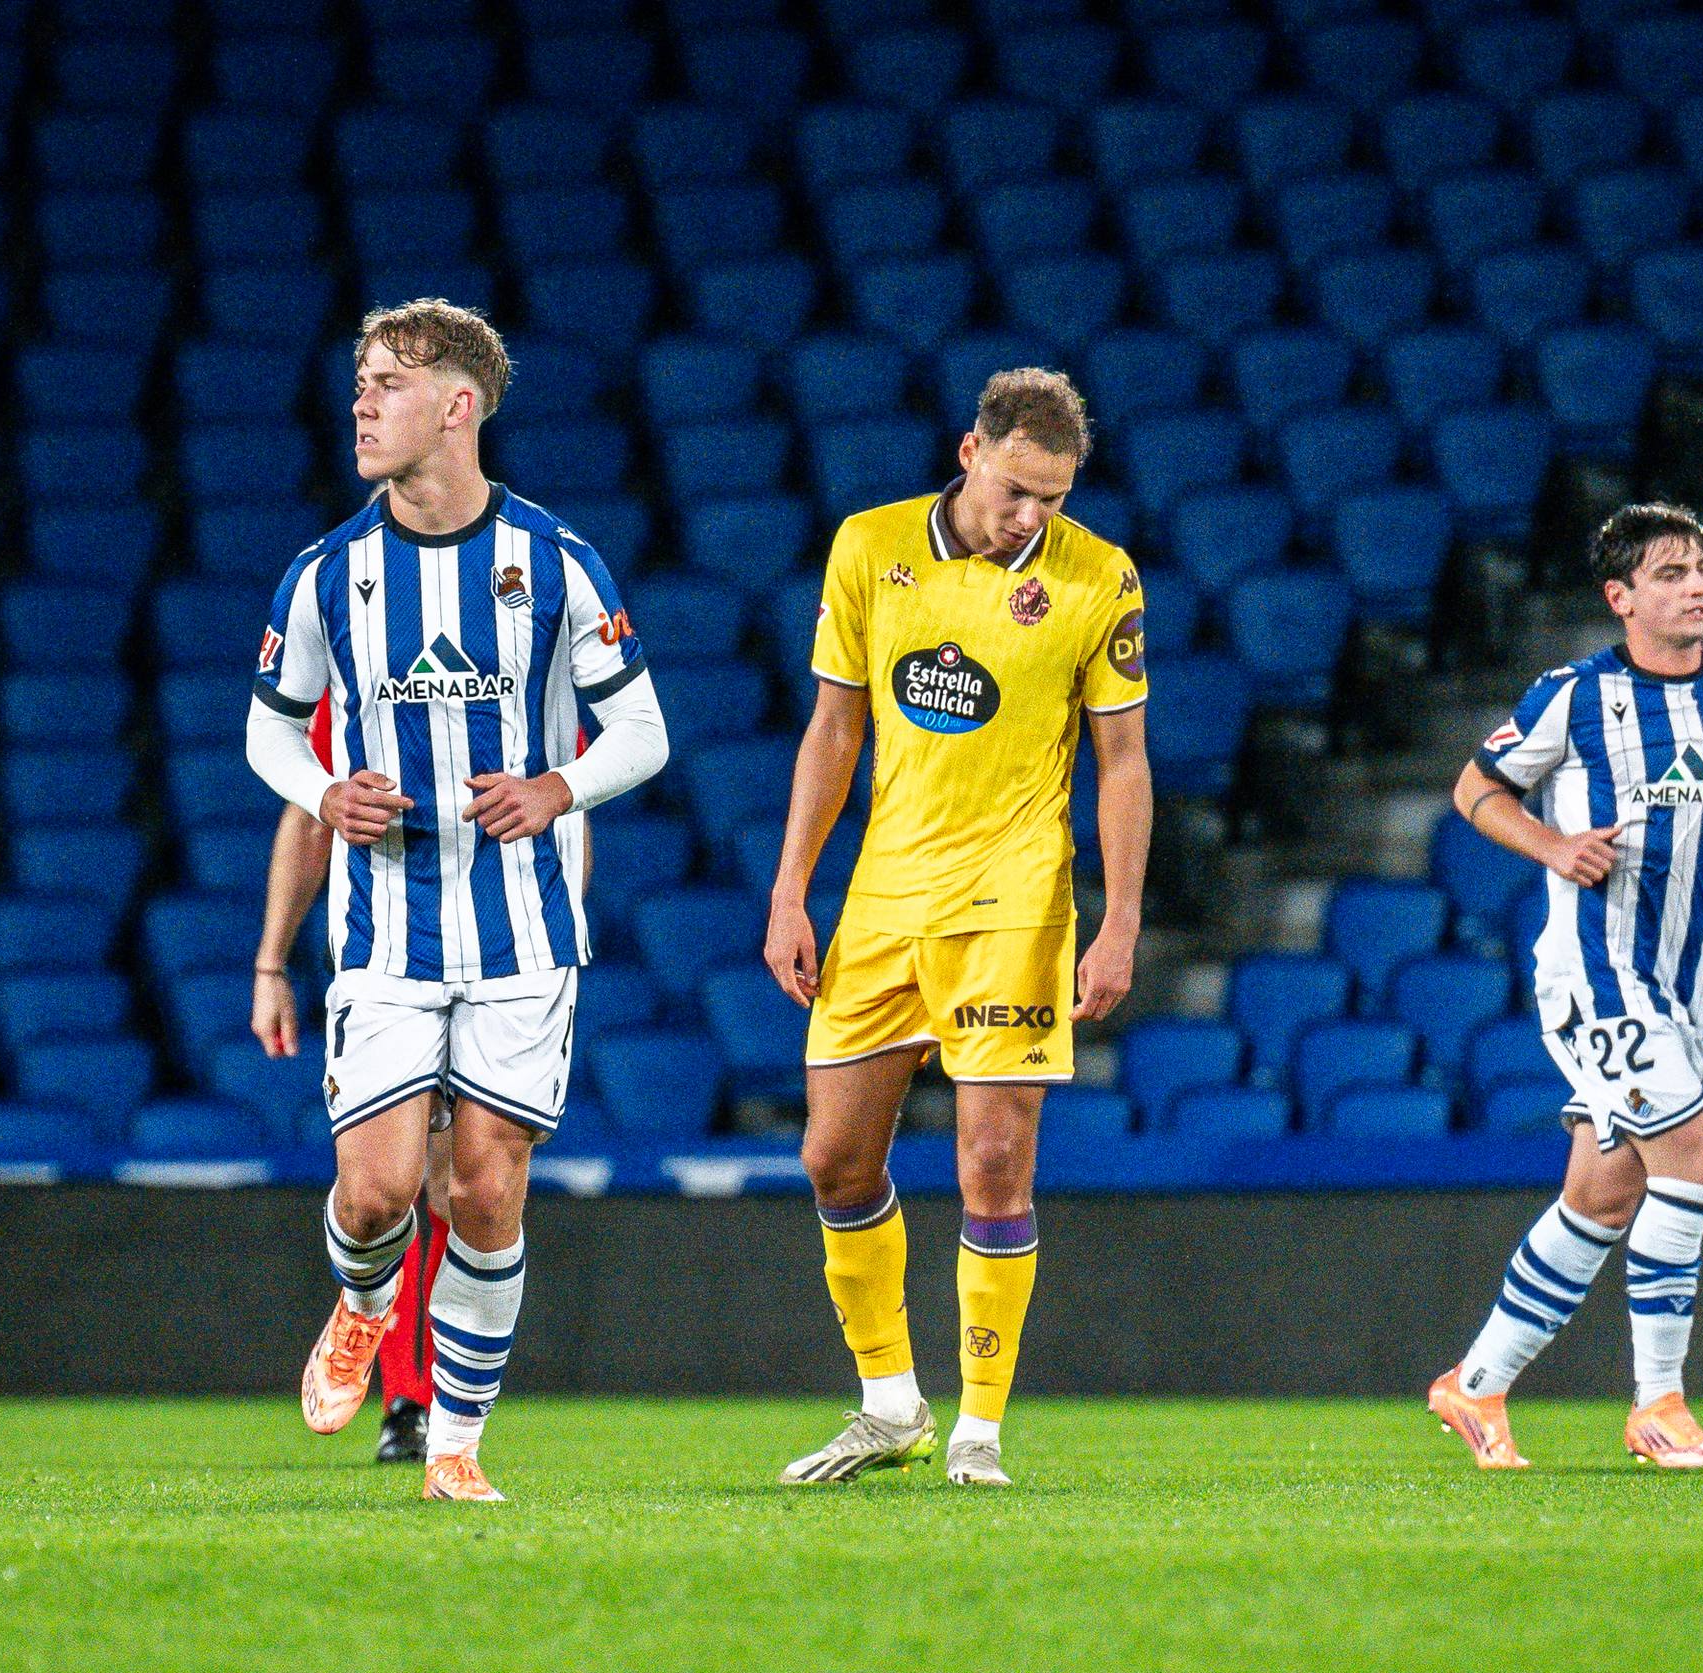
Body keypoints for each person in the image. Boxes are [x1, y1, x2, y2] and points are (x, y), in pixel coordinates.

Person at [243, 299, 668, 1503]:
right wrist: (327, 793)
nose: (363, 401)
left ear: (459, 406)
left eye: (388, 382)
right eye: (361, 381)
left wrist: (556, 785)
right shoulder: (329, 575)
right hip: (383, 928)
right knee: (377, 1191)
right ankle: (364, 1304)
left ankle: (454, 1446)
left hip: (525, 927)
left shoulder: (557, 563)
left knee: (483, 1188)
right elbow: (268, 735)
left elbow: (641, 730)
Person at [764, 368, 1152, 1490]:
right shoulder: (868, 548)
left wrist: (1120, 919)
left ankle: (979, 1426)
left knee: (992, 1160)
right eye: (1020, 491)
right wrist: (792, 892)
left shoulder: (1100, 578)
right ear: (968, 451)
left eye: (1057, 500)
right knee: (834, 1159)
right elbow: (833, 731)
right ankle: (892, 1405)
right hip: (885, 898)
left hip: (1017, 900)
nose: (1034, 517)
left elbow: (1122, 760)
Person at [1426, 503, 1703, 1470]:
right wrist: (1552, 843)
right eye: (1671, 572)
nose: (1697, 584)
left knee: (1604, 1193)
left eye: (1701, 565)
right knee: (1695, 1157)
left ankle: (1476, 1384)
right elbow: (1475, 789)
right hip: (1597, 976)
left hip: (1684, 986)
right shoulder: (1575, 696)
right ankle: (1660, 1404)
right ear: (1621, 596)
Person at [254, 781, 448, 1466]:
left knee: (465, 1186)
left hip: (504, 961)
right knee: (382, 1191)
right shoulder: (351, 681)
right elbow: (311, 815)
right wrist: (270, 963)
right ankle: (382, 1342)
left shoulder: (537, 680)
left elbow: (566, 817)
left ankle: (427, 1406)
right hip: (385, 965)